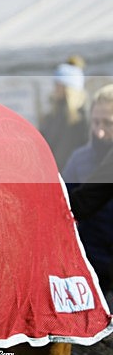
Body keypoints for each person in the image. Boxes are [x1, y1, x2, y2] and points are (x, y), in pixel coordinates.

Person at [62, 83, 113, 298]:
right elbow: (68, 204)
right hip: (93, 267)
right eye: (95, 122)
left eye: (108, 124)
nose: (99, 131)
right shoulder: (79, 159)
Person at [39, 59, 89, 170]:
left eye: (58, 84)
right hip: (54, 173)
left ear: (69, 88)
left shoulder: (83, 118)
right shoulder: (52, 115)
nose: (55, 88)